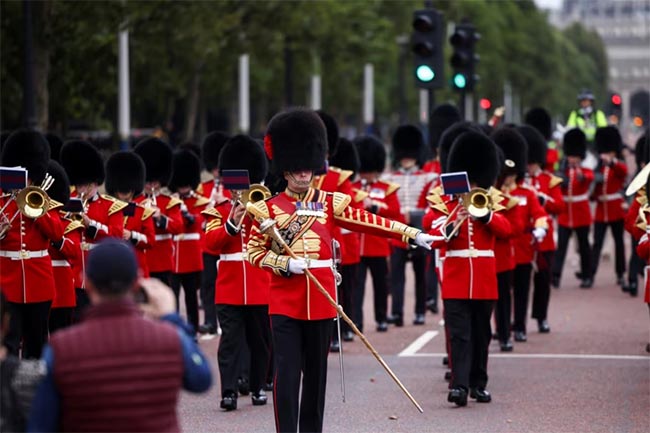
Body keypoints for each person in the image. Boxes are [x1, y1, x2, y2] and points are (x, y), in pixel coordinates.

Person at [246, 108, 436, 433]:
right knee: (287, 374)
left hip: (321, 301)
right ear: (286, 170)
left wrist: (412, 234)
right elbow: (254, 252)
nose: (304, 176)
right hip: (285, 302)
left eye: (307, 170)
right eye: (297, 170)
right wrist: (284, 263)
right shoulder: (267, 209)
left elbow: (371, 222)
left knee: (317, 379)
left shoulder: (330, 202)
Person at [27, 238, 212, 432]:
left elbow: (40, 425)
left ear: (87, 283)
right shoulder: (168, 337)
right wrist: (171, 318)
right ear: (136, 283)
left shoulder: (61, 347)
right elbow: (201, 379)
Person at [426, 131, 511, 406]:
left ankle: (478, 384)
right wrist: (454, 221)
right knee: (459, 335)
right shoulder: (444, 204)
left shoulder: (490, 201)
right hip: (456, 277)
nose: (473, 185)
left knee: (482, 334)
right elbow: (433, 233)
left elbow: (506, 230)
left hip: (484, 278)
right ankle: (459, 386)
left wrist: (485, 215)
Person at [204, 135, 271, 411]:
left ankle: (256, 387)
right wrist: (232, 220)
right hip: (229, 288)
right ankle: (228, 391)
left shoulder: (264, 210)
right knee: (230, 343)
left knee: (260, 343)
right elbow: (210, 243)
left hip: (259, 286)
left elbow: (276, 242)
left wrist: (260, 217)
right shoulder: (217, 212)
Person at [1, 130, 64, 359]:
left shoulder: (43, 199)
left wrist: (36, 211)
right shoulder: (1, 201)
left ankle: (35, 387)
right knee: (9, 339)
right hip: (7, 281)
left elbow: (57, 233)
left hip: (39, 280)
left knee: (36, 342)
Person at [60, 139, 126, 319]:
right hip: (73, 274)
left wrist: (92, 225)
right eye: (79, 185)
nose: (82, 189)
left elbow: (117, 236)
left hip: (98, 273)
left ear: (96, 183)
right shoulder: (65, 203)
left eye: (86, 185)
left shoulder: (111, 206)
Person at [383, 125, 437, 326]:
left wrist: (414, 215)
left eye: (409, 154)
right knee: (396, 276)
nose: (406, 158)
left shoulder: (428, 178)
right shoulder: (389, 179)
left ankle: (420, 311)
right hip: (397, 234)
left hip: (418, 231)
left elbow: (431, 206)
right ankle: (397, 312)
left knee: (420, 275)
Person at [352, 135, 402, 333]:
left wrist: (375, 208)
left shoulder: (385, 188)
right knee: (357, 287)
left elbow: (395, 210)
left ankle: (381, 318)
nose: (366, 176)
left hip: (378, 246)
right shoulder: (352, 188)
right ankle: (357, 321)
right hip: (358, 246)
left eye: (370, 172)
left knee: (381, 287)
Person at [519, 124, 564, 334]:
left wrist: (543, 200)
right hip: (524, 238)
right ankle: (518, 321)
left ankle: (541, 317)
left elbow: (559, 206)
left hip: (544, 238)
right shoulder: (519, 182)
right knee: (519, 283)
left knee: (543, 281)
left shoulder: (549, 180)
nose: (528, 167)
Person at [168, 149, 210, 333]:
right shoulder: (169, 200)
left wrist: (183, 209)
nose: (183, 187)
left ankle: (193, 329)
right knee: (173, 296)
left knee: (191, 297)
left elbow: (197, 222)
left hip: (191, 256)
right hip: (172, 255)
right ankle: (174, 330)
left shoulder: (200, 201)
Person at [133, 137, 184, 287]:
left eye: (154, 182)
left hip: (163, 261)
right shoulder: (135, 203)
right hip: (142, 260)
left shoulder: (169, 202)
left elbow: (178, 227)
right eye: (148, 182)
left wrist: (160, 217)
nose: (151, 185)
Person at [551, 129, 595, 289]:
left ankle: (587, 276)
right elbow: (555, 182)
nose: (572, 159)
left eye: (575, 156)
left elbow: (589, 178)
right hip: (565, 214)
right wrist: (560, 179)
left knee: (584, 247)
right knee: (561, 246)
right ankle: (555, 275)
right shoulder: (563, 171)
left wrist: (580, 175)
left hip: (581, 213)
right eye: (570, 156)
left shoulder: (584, 170)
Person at [197, 131, 231, 337]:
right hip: (209, 244)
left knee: (224, 284)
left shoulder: (232, 188)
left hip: (226, 241)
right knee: (208, 284)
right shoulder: (205, 187)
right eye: (215, 168)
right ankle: (210, 320)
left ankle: (223, 319)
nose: (218, 171)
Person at [105, 151, 156, 277]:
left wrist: (132, 235)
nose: (123, 193)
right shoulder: (107, 209)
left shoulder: (143, 212)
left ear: (133, 190)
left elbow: (150, 240)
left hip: (137, 265)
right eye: (120, 189)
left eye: (126, 189)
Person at [46, 160, 82, 334]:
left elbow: (74, 250)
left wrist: (56, 239)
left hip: (61, 289)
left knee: (61, 334)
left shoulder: (68, 222)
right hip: (35, 285)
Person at [590, 126, 628, 286]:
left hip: (615, 209)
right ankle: (590, 274)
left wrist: (611, 161)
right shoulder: (599, 167)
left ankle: (620, 273)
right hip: (601, 210)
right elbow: (593, 187)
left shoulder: (618, 164)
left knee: (618, 242)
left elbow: (623, 172)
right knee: (597, 243)